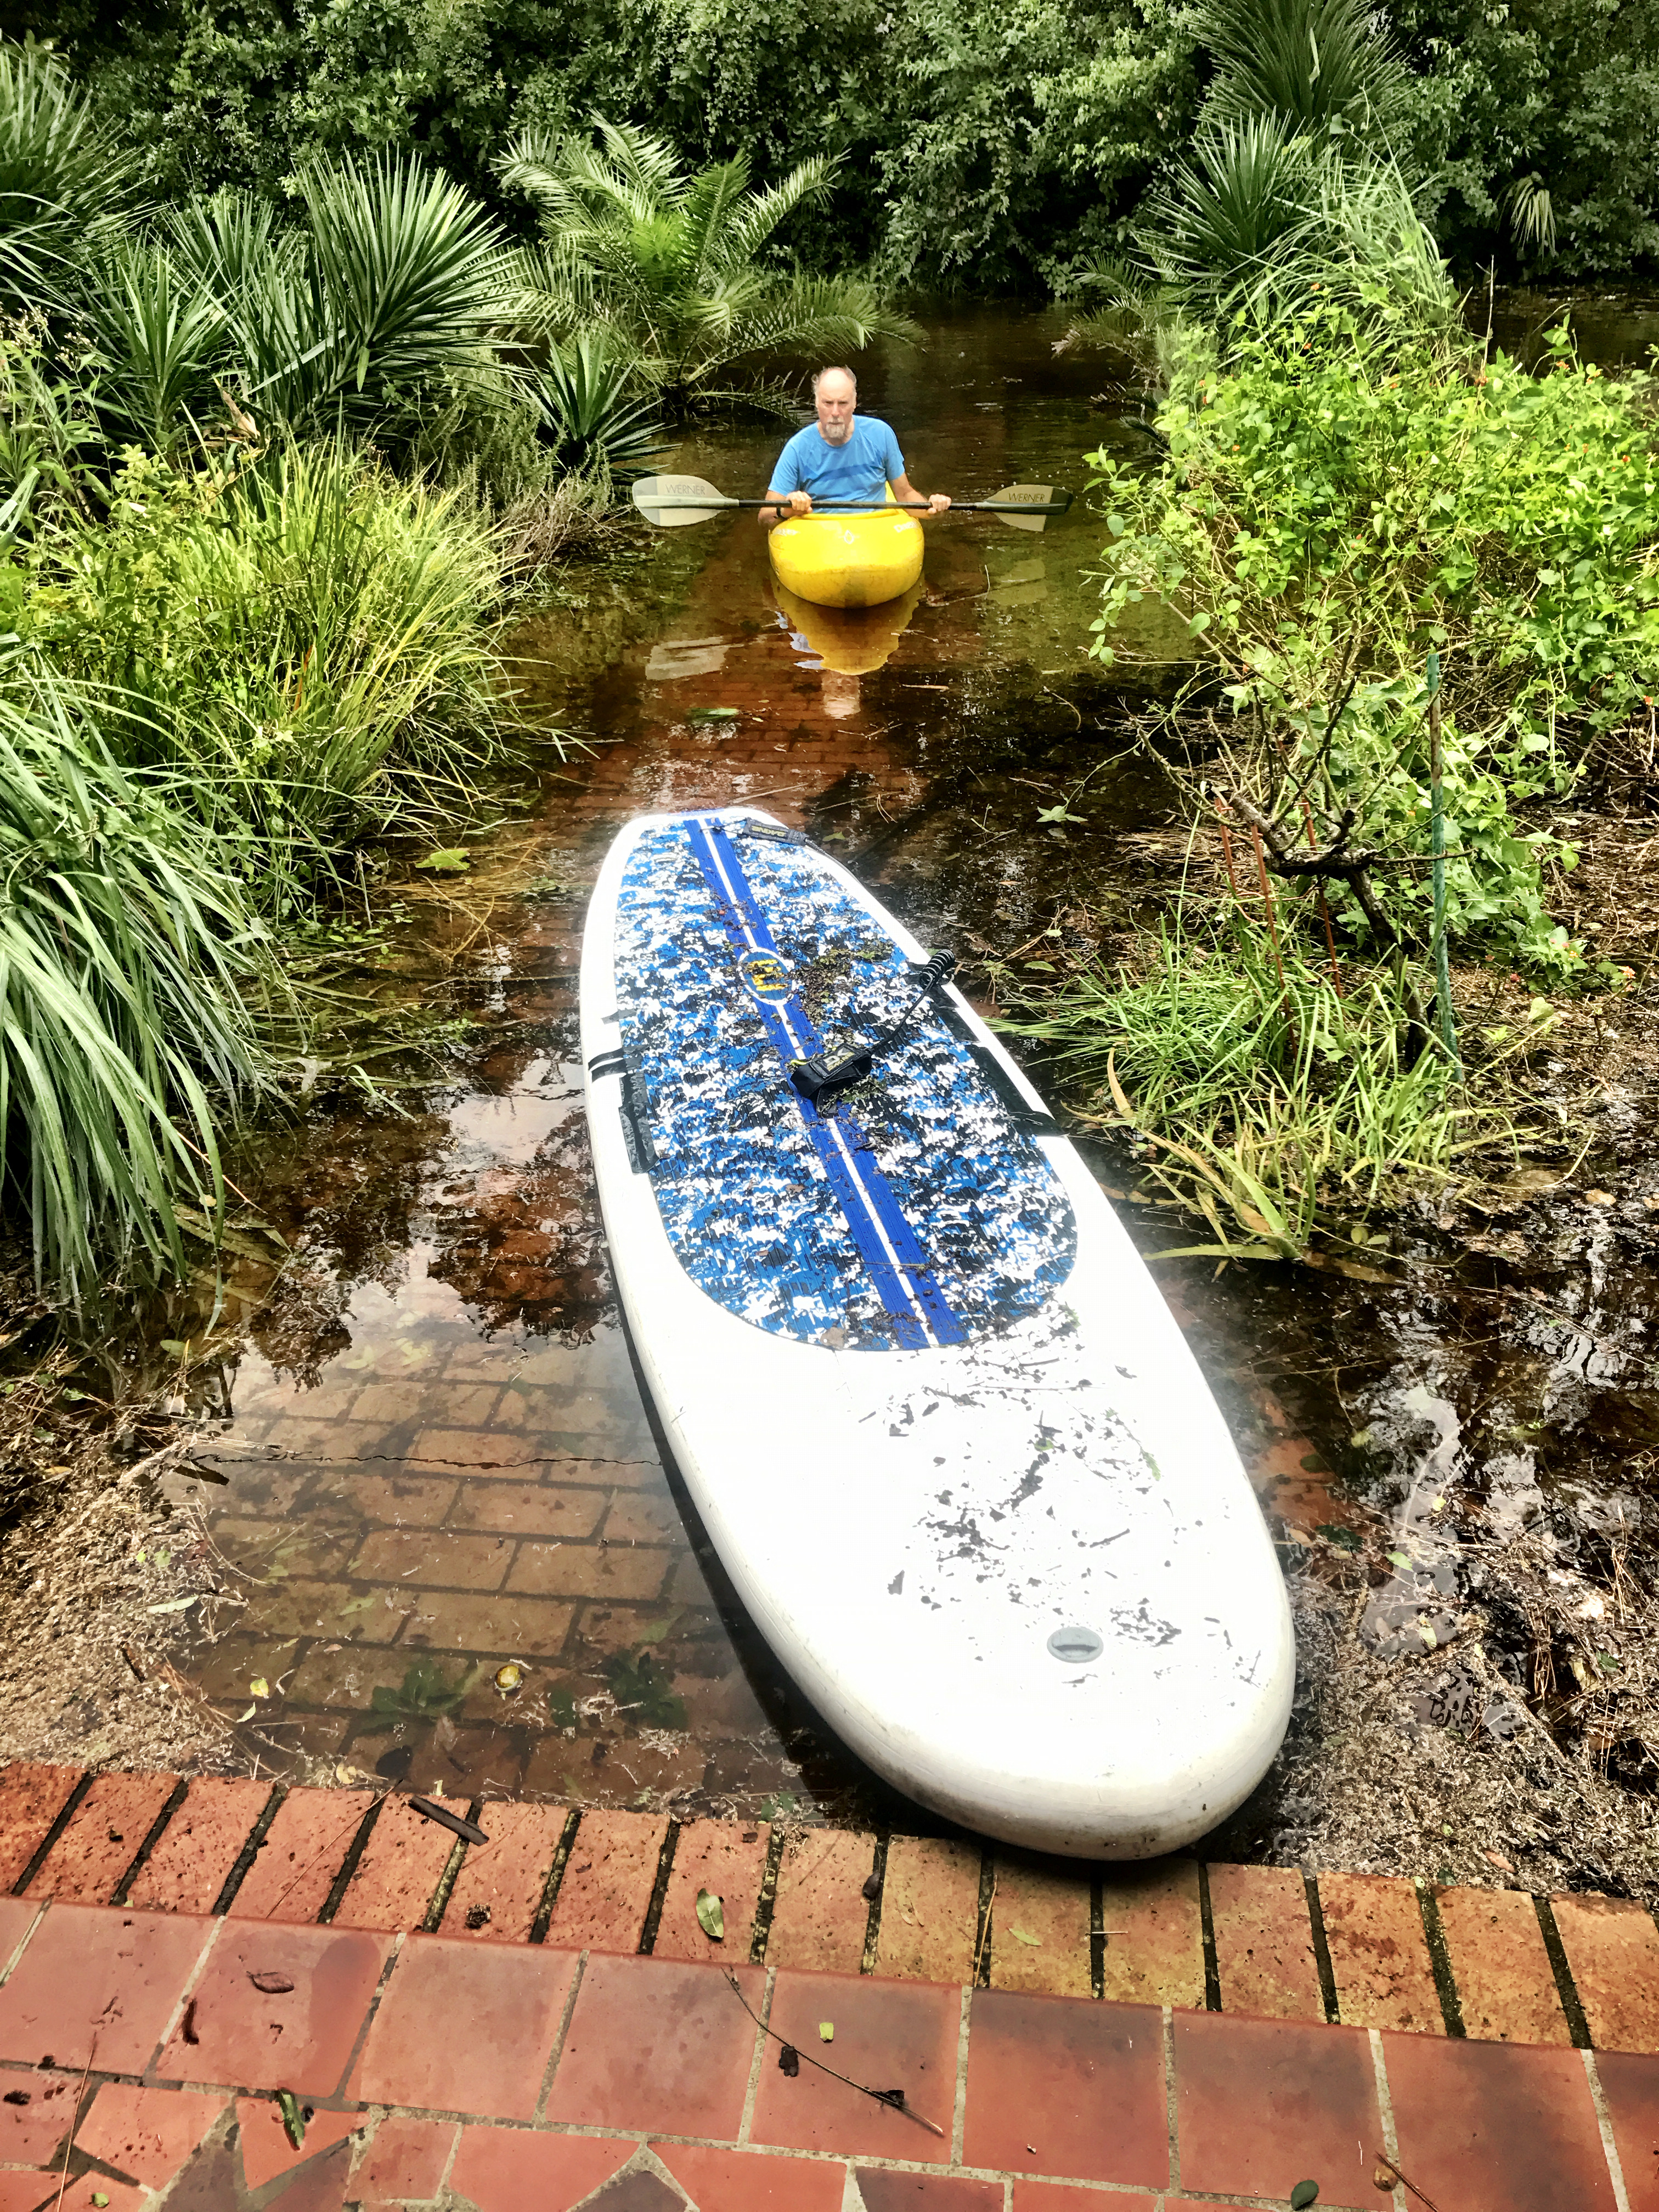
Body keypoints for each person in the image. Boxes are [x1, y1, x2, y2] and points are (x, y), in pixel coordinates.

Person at [761, 366, 950, 526]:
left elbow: (905, 494)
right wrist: (787, 508)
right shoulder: (797, 448)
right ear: (817, 404)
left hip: (873, 525)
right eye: (828, 403)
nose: (835, 412)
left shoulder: (881, 434)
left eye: (843, 403)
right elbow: (765, 516)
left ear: (854, 403)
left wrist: (931, 508)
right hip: (820, 532)